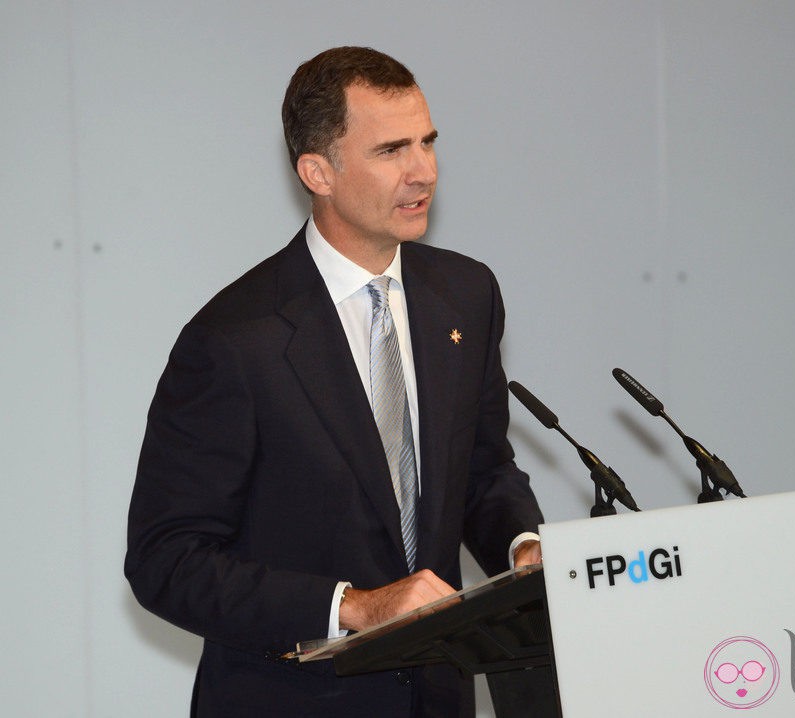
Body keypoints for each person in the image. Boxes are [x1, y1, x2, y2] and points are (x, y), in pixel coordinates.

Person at [125, 46, 544, 717]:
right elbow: (165, 561)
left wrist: (524, 547)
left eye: (428, 143)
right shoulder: (234, 338)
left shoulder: (466, 294)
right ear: (318, 171)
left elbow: (482, 472)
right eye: (391, 151)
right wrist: (351, 606)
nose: (424, 172)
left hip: (439, 696)